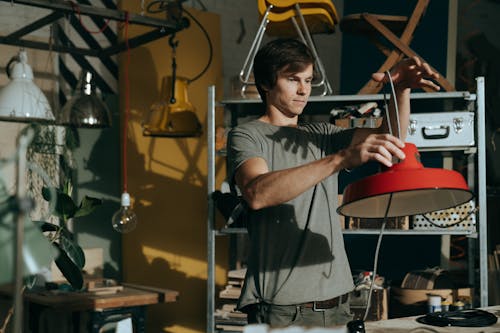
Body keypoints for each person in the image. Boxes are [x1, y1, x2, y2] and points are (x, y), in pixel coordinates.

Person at [226, 38, 440, 327]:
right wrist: (339, 159)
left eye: (308, 80)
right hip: (282, 310)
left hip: (339, 303)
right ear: (266, 82)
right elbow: (257, 193)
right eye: (293, 79)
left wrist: (399, 88)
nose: (304, 90)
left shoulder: (322, 135)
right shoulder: (247, 135)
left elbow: (392, 139)